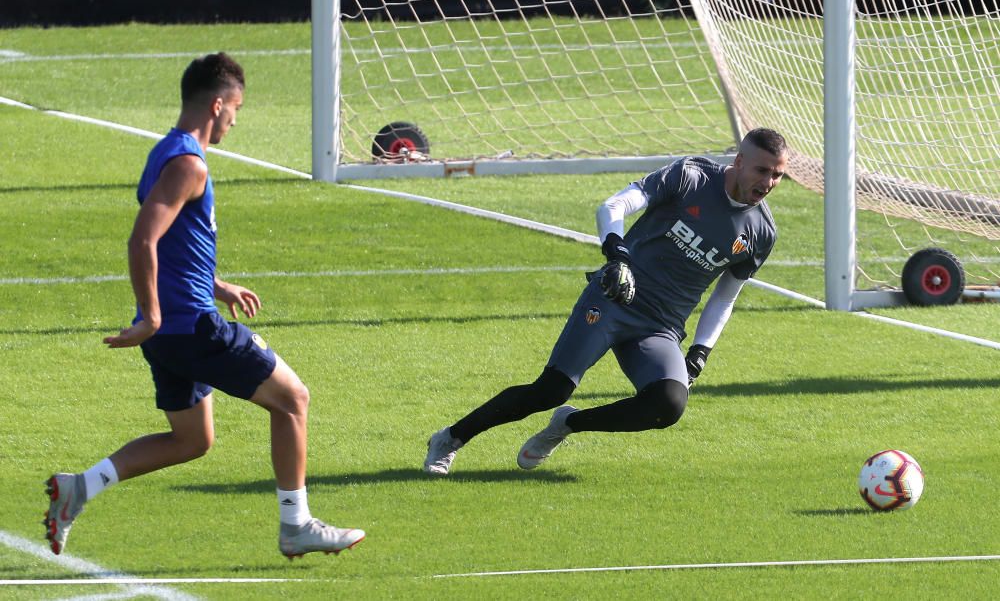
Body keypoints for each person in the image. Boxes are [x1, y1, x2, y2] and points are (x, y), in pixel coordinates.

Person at [43, 53, 364, 559]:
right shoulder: (189, 164)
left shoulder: (166, 153)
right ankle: (296, 524)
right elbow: (142, 241)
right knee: (293, 399)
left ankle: (81, 487)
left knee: (191, 441)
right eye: (236, 110)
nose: (235, 121)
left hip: (173, 332)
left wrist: (217, 284)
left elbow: (172, 245)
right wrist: (152, 315)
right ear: (218, 104)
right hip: (190, 328)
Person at [423, 128, 788, 475]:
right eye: (762, 170)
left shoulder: (761, 231)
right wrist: (617, 255)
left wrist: (701, 350)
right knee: (552, 389)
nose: (768, 183)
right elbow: (613, 206)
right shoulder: (690, 176)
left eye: (777, 176)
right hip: (615, 297)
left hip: (660, 328)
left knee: (668, 405)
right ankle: (449, 438)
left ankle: (568, 424)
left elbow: (726, 295)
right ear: (739, 161)